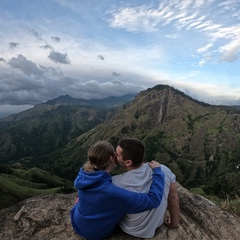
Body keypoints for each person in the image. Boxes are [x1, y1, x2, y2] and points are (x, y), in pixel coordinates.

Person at [70, 140, 165, 240]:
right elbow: (153, 200)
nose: (116, 154)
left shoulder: (84, 175)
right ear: (111, 158)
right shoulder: (112, 191)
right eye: (114, 153)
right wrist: (158, 172)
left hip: (76, 222)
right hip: (96, 233)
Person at [112, 138, 179, 238]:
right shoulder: (163, 170)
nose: (113, 155)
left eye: (116, 154)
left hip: (129, 228)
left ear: (128, 162)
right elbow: (173, 198)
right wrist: (174, 223)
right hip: (156, 224)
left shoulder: (116, 182)